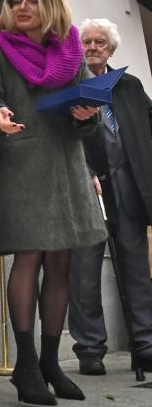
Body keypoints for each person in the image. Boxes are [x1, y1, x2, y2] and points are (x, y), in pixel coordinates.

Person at [0, 0, 106, 406]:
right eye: (16, 0)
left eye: (32, 0)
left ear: (50, 5)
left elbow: (88, 116)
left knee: (61, 260)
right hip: (17, 164)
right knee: (29, 255)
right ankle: (26, 365)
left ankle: (50, 363)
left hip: (65, 165)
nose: (22, 7)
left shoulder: (70, 49)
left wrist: (86, 115)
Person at [68, 19, 152, 374]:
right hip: (88, 188)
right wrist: (83, 170)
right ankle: (90, 349)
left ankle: (145, 344)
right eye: (86, 41)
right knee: (84, 273)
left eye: (99, 42)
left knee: (137, 270)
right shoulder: (71, 84)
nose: (92, 47)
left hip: (129, 188)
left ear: (111, 49)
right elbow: (63, 134)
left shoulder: (129, 85)